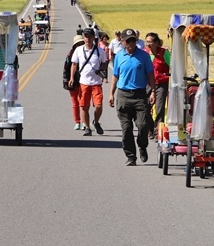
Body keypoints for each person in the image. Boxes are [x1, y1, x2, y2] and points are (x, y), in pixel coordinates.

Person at [108, 28, 155, 166]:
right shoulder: (119, 57)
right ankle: (131, 156)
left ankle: (142, 146)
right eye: (128, 41)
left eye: (133, 40)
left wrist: (153, 91)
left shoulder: (143, 56)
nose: (131, 43)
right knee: (126, 129)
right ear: (122, 42)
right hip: (123, 95)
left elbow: (150, 74)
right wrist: (111, 93)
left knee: (142, 125)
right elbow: (115, 76)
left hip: (140, 95)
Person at [70, 27, 108, 136]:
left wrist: (102, 69)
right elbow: (74, 64)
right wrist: (72, 78)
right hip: (84, 83)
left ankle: (96, 122)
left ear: (93, 37)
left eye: (89, 36)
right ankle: (87, 127)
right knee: (84, 106)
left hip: (96, 83)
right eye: (86, 36)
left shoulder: (99, 51)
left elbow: (105, 62)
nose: (87, 39)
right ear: (83, 37)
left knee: (98, 106)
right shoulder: (79, 50)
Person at [144, 32, 171, 140]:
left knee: (159, 109)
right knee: (145, 108)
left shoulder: (164, 53)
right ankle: (150, 128)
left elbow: (172, 65)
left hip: (161, 83)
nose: (148, 44)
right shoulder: (145, 53)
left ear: (156, 43)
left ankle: (158, 131)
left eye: (150, 42)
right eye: (147, 42)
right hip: (147, 84)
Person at [64, 35, 85, 130]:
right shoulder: (70, 55)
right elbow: (66, 70)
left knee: (84, 102)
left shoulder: (86, 53)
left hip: (84, 81)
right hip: (73, 81)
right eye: (78, 44)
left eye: (82, 43)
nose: (80, 45)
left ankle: (84, 121)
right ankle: (77, 122)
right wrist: (67, 81)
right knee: (75, 103)